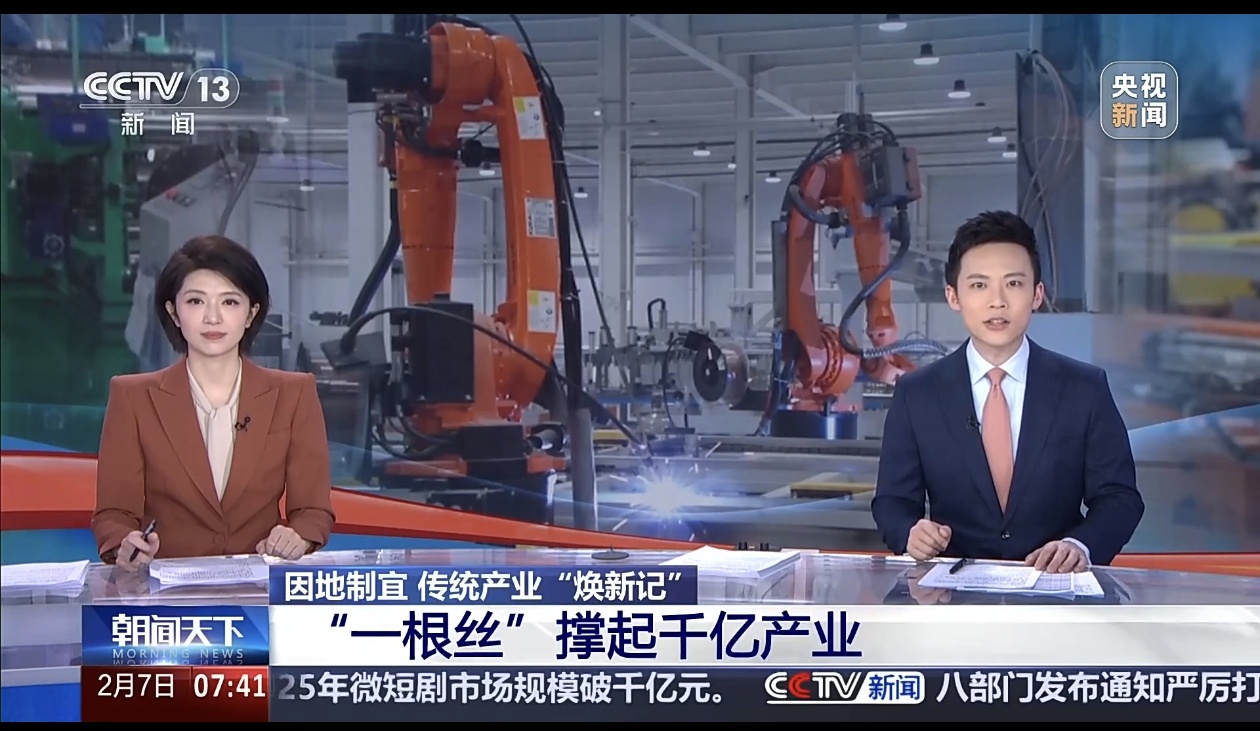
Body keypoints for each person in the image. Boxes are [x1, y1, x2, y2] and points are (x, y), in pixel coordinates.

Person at [871, 211, 1144, 574]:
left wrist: (1080, 545)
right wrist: (909, 532)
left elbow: (1119, 498)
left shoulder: (1084, 388)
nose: (997, 301)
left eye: (1013, 283)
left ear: (1037, 294)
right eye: (979, 285)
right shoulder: (917, 394)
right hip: (951, 593)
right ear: (953, 296)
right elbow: (891, 502)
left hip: (1055, 590)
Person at [93, 235, 336, 570]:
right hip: (167, 589)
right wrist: (127, 543)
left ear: (251, 313)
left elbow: (312, 511)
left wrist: (298, 537)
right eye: (196, 301)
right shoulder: (132, 397)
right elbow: (114, 514)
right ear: (173, 312)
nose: (213, 318)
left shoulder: (294, 394)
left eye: (230, 302)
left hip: (259, 585)